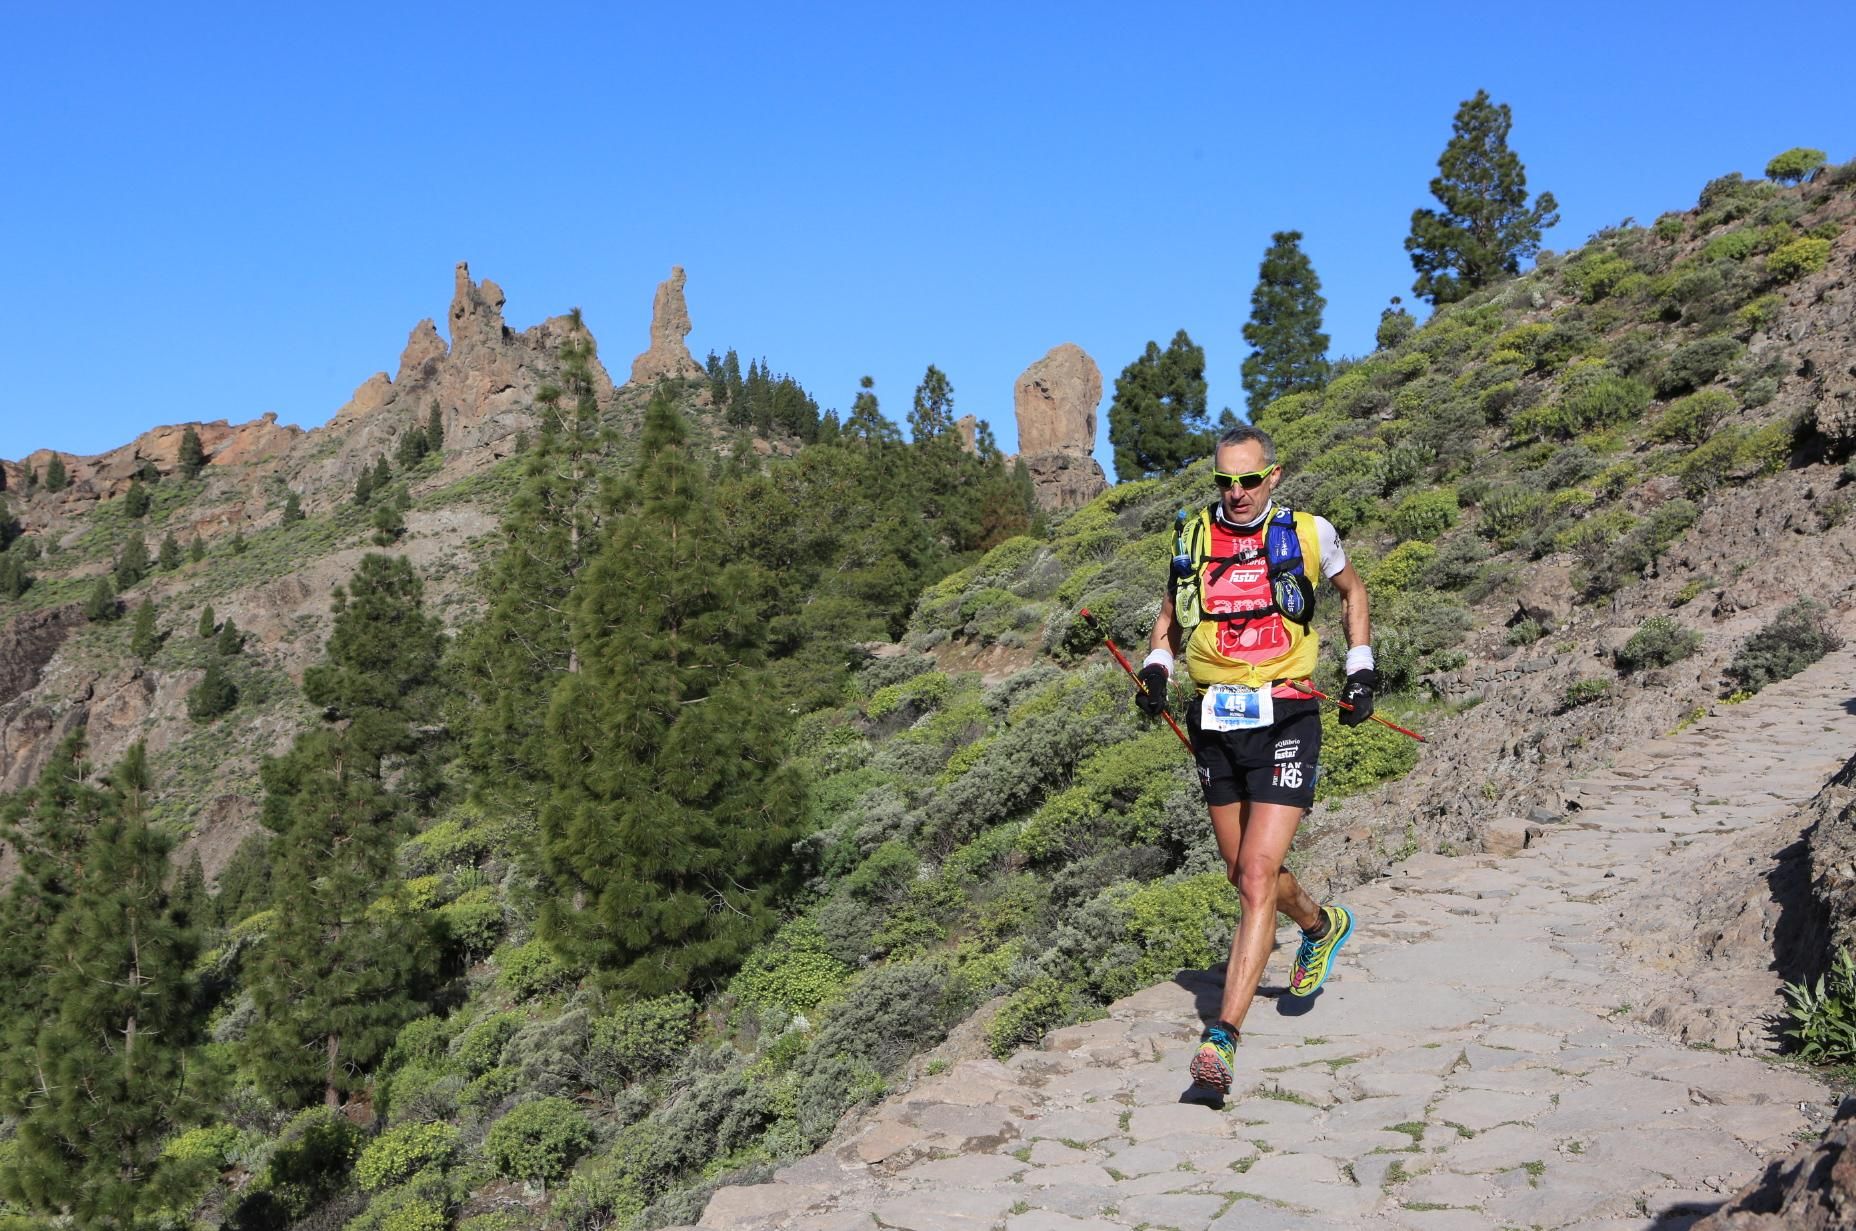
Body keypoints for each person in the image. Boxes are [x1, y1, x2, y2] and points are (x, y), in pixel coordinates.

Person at [1135, 424, 1376, 1096]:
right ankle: (1321, 924)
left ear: (1273, 476)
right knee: (1245, 871)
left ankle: (1222, 1038)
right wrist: (1157, 668)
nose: (1236, 493)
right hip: (1216, 719)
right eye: (1225, 481)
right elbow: (1170, 619)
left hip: (1289, 713)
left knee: (1257, 874)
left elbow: (1353, 592)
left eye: (1249, 479)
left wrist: (1361, 668)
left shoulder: (1309, 532)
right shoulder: (1191, 539)